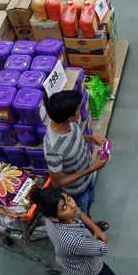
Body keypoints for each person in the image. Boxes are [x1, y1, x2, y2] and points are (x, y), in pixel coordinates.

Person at [32, 185, 138, 275]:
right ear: (54, 218)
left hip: (72, 267)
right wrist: (102, 237)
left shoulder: (52, 218)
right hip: (92, 269)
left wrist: (95, 229)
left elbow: (79, 212)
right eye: (64, 208)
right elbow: (101, 249)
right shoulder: (71, 241)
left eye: (68, 199)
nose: (72, 205)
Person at [43, 90, 108, 219]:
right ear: (70, 117)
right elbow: (57, 182)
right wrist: (92, 168)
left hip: (88, 178)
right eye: (78, 109)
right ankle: (90, 230)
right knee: (81, 215)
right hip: (76, 191)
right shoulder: (53, 150)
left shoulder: (66, 123)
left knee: (90, 202)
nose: (81, 109)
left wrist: (91, 139)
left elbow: (73, 137)